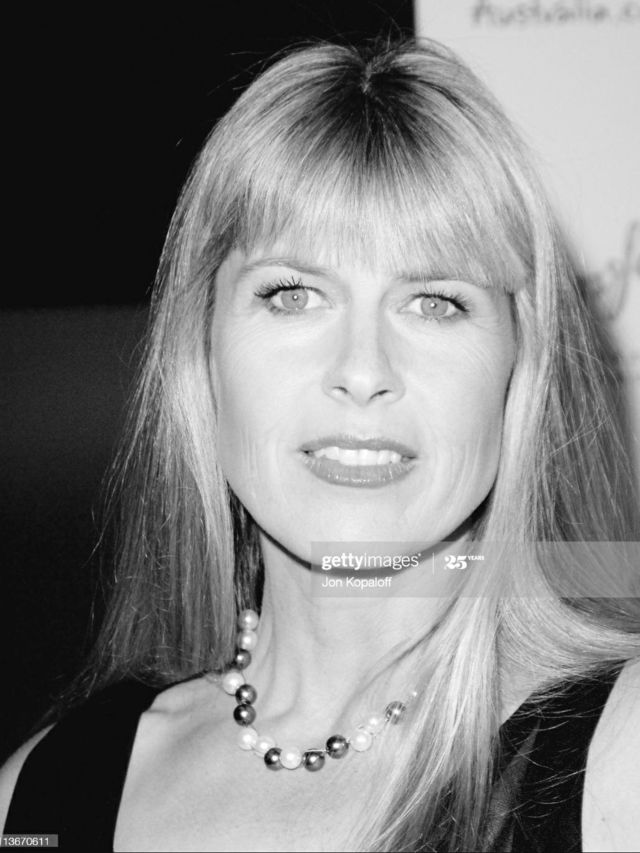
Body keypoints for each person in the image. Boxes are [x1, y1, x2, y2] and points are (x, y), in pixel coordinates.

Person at [1, 36, 639, 853]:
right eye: (294, 294)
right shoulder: (42, 796)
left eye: (435, 302)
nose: (363, 371)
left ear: (518, 368)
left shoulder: (623, 761)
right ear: (203, 349)